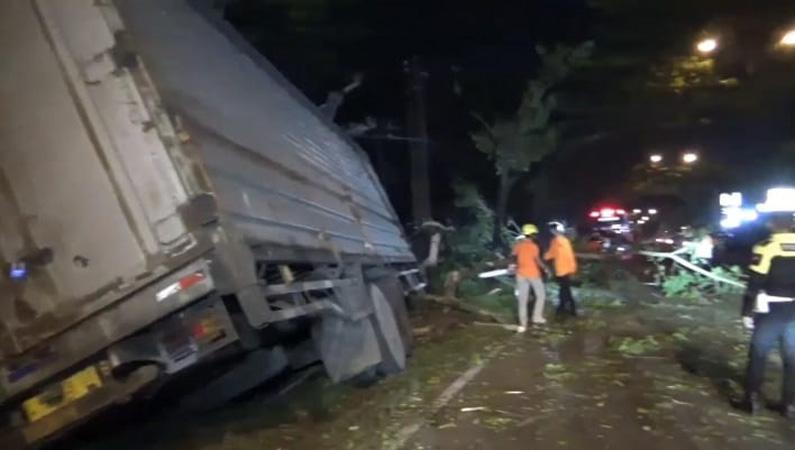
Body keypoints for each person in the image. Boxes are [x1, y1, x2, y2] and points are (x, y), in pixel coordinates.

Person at [742, 213, 795, 418]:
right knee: (792, 358)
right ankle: (789, 405)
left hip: (771, 309)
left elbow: (755, 281)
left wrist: (747, 311)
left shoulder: (766, 247)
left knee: (758, 353)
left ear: (772, 224)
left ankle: (751, 401)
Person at [512, 224, 547, 333]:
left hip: (520, 274)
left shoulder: (518, 245)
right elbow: (538, 261)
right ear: (532, 235)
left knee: (522, 300)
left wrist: (513, 266)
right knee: (541, 295)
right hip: (533, 274)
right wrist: (546, 268)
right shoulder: (534, 246)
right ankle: (536, 317)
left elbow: (513, 256)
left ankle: (523, 325)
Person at [545, 221, 578, 317]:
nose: (551, 231)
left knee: (565, 289)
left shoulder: (556, 241)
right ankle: (566, 308)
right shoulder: (565, 240)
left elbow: (550, 254)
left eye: (552, 229)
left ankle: (566, 309)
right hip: (567, 269)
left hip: (562, 269)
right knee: (565, 289)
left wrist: (540, 256)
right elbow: (569, 255)